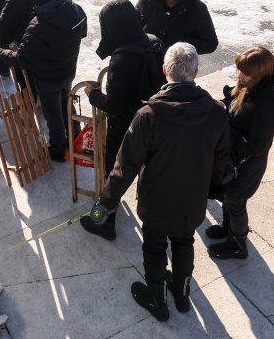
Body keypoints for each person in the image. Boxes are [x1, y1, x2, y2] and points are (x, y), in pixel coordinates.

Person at [80, 43, 229, 322]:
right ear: (195, 72)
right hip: (192, 202)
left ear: (164, 71)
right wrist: (210, 190)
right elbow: (221, 162)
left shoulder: (149, 115)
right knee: (185, 242)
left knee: (154, 248)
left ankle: (158, 300)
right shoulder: (217, 112)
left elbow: (125, 168)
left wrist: (106, 204)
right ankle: (182, 295)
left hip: (158, 202)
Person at [80, 0, 167, 241]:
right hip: (156, 119)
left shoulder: (121, 58)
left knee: (115, 174)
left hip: (128, 127)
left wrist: (94, 95)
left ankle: (104, 221)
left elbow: (114, 105)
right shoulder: (154, 42)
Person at [207, 46, 274, 260]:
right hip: (234, 158)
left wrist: (225, 128)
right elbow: (234, 106)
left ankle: (238, 244)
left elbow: (256, 145)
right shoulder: (252, 85)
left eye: (245, 72)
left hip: (246, 166)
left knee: (235, 203)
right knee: (227, 197)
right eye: (239, 70)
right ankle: (228, 229)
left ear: (260, 74)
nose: (239, 76)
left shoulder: (270, 105)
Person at [0, 0, 87, 162]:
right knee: (65, 103)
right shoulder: (75, 9)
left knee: (53, 114)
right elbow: (82, 32)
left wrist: (2, 53)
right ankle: (75, 136)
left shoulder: (38, 26)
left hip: (48, 78)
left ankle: (58, 150)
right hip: (68, 70)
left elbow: (23, 59)